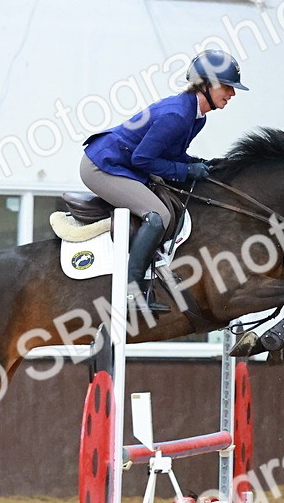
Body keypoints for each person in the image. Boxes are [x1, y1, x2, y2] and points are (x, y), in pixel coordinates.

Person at [81, 49, 248, 312]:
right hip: (102, 167)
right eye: (227, 87)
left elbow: (169, 153)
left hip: (125, 164)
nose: (232, 94)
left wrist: (196, 163)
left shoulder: (196, 117)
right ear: (205, 85)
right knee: (157, 215)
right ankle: (130, 293)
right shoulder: (177, 115)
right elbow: (143, 160)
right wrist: (185, 171)